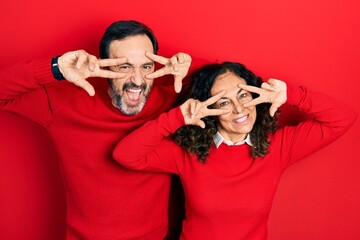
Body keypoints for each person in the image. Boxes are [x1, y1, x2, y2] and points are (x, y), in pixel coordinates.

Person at [113, 61, 357, 240]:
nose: (239, 109)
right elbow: (125, 155)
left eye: (243, 95)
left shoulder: (278, 147)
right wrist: (178, 117)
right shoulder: (188, 152)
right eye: (224, 102)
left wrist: (290, 95)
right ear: (211, 110)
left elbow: (343, 118)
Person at [0, 20, 194, 239]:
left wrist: (189, 66)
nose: (137, 80)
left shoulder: (171, 104)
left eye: (146, 66)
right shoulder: (65, 105)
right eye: (125, 66)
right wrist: (56, 68)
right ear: (104, 64)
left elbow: (229, 82)